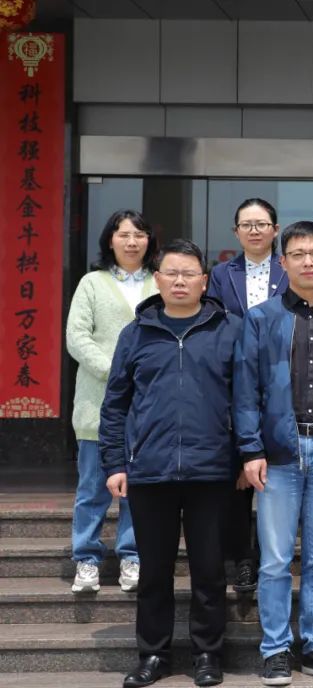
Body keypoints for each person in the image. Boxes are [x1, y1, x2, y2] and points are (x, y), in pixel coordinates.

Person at [99, 239, 242, 688]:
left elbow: (246, 400)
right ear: (157, 279)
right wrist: (115, 462)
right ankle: (153, 655)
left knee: (209, 570)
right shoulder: (135, 333)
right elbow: (115, 404)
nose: (180, 281)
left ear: (205, 280)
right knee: (154, 571)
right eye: (172, 273)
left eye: (189, 273)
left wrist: (244, 456)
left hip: (212, 470)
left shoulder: (229, 329)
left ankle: (207, 654)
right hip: (150, 470)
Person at [234, 221, 313, 686]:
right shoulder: (261, 318)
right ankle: (275, 649)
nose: (309, 262)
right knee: (274, 559)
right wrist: (251, 449)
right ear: (283, 262)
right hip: (279, 455)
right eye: (299, 254)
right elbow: (245, 389)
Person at [66, 210, 158, 595]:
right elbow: (77, 337)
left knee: (138, 489)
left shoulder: (160, 281)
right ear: (110, 240)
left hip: (149, 406)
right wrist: (116, 371)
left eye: (139, 234)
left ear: (149, 240)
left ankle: (131, 555)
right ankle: (86, 557)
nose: (132, 242)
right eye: (123, 234)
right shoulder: (92, 282)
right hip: (98, 404)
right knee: (93, 488)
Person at [207, 197, 289, 594]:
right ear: (236, 232)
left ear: (275, 230)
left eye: (262, 224)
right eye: (247, 224)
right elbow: (215, 318)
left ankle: (276, 555)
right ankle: (242, 559)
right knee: (238, 477)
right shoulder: (221, 273)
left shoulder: (289, 268)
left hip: (283, 379)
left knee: (278, 474)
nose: (255, 230)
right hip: (234, 378)